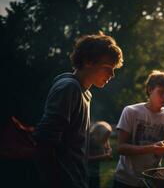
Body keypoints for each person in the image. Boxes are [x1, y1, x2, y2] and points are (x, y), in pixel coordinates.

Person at [33, 32, 123, 188]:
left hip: (77, 179)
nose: (112, 74)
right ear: (88, 61)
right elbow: (44, 143)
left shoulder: (84, 92)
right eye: (108, 67)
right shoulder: (69, 87)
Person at [114, 70, 164, 188]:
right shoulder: (131, 111)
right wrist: (152, 148)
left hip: (152, 180)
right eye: (161, 92)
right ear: (150, 89)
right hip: (125, 179)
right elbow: (121, 148)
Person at [88, 121, 113, 188]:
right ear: (98, 134)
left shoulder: (103, 139)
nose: (107, 140)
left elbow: (108, 151)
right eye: (106, 137)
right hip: (86, 174)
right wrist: (101, 157)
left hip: (96, 173)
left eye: (108, 137)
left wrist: (108, 153)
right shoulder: (88, 140)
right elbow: (84, 158)